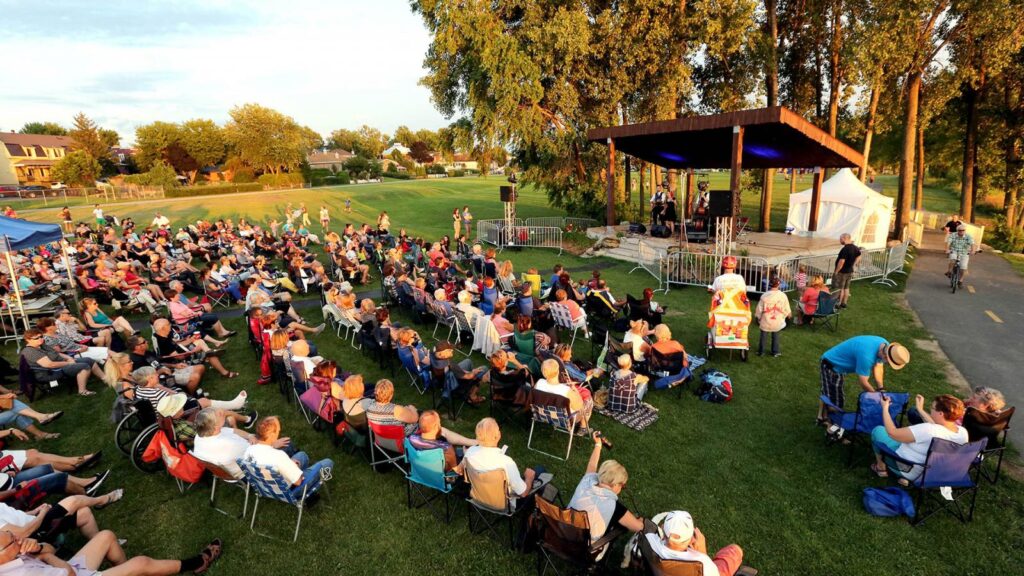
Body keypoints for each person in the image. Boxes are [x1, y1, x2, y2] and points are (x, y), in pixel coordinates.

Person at [0, 527, 222, 575]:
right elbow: (69, 574)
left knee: (105, 536)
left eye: (12, 534)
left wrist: (39, 548)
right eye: (13, 541)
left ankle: (126, 572)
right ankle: (198, 562)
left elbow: (49, 549)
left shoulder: (11, 553)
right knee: (141, 563)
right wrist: (46, 556)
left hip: (62, 570)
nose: (18, 539)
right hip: (68, 574)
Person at [568, 434, 643, 553]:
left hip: (563, 534)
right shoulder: (614, 507)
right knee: (620, 525)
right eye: (622, 485)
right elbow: (638, 527)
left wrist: (598, 445)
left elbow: (592, 465)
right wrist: (642, 520)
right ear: (615, 484)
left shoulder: (586, 481)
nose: (622, 488)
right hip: (584, 550)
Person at [871, 394, 968, 482]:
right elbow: (937, 426)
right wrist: (920, 409)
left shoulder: (928, 430)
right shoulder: (962, 432)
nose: (931, 410)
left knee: (878, 430)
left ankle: (881, 468)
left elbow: (892, 432)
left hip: (907, 468)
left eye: (932, 408)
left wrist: (885, 408)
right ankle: (903, 479)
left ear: (941, 414)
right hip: (930, 473)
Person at [818, 336, 910, 423]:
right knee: (836, 401)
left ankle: (822, 417)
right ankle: (831, 425)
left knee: (829, 392)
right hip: (831, 365)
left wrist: (881, 389)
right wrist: (877, 397)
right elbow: (863, 382)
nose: (888, 365)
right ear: (885, 356)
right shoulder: (866, 356)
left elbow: (878, 366)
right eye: (889, 363)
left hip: (839, 367)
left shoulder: (884, 345)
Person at [458, 417, 551, 501]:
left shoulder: (469, 453)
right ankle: (537, 505)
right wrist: (529, 478)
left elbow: (459, 470)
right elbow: (523, 493)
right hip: (502, 504)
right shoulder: (506, 463)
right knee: (540, 470)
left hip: (478, 497)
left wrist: (466, 455)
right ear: (497, 436)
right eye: (498, 430)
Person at [243, 416, 332, 498]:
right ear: (272, 435)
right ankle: (305, 493)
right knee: (328, 463)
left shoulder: (248, 451)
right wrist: (295, 468)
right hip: (288, 492)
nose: (279, 432)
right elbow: (298, 482)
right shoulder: (279, 456)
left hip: (266, 488)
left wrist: (290, 465)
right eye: (278, 431)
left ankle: (296, 471)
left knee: (302, 456)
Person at [193, 408, 287, 479]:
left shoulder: (201, 435)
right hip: (245, 472)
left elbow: (233, 431)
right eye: (219, 414)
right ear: (215, 426)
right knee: (286, 446)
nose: (222, 412)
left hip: (226, 470)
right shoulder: (230, 444)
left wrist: (249, 435)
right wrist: (272, 445)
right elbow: (256, 450)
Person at [646, 511, 744, 576]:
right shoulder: (702, 562)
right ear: (690, 538)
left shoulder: (649, 540)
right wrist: (703, 553)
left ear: (662, 528)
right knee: (735, 550)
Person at [20, 329, 96, 397]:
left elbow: (57, 353)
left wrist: (69, 358)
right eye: (36, 338)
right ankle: (82, 391)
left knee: (88, 360)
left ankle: (102, 378)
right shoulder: (30, 351)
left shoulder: (41, 345)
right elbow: (49, 364)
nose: (40, 339)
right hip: (51, 372)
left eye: (41, 336)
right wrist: (69, 363)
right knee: (84, 366)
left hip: (60, 364)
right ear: (28, 340)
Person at [408, 410, 478, 472]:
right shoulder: (446, 447)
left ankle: (474, 442)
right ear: (436, 426)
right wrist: (466, 456)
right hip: (442, 475)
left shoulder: (411, 439)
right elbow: (456, 470)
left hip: (421, 471)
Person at [535, 359, 591, 431]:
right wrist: (575, 391)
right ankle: (583, 428)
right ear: (558, 371)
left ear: (543, 372)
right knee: (589, 401)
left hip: (543, 415)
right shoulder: (566, 390)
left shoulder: (539, 383)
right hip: (565, 419)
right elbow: (579, 406)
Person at [754, 277, 791, 357]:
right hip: (777, 319)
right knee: (776, 336)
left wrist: (758, 316)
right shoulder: (783, 296)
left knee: (763, 336)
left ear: (769, 284)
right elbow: (786, 307)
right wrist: (788, 314)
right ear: (779, 285)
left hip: (766, 319)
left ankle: (761, 352)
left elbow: (759, 308)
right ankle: (775, 352)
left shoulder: (765, 295)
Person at [648, 324, 688, 389]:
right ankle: (680, 379)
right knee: (686, 366)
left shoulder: (653, 347)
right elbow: (685, 356)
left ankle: (670, 382)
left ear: (656, 334)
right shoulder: (676, 344)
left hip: (662, 370)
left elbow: (651, 358)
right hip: (676, 370)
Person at [833, 233, 860, 309]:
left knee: (840, 288)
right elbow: (859, 256)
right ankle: (844, 303)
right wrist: (853, 265)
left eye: (840, 239)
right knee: (846, 288)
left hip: (842, 272)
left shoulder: (845, 249)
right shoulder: (855, 247)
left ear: (844, 238)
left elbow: (842, 261)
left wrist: (836, 271)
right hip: (849, 271)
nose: (840, 240)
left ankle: (838, 304)